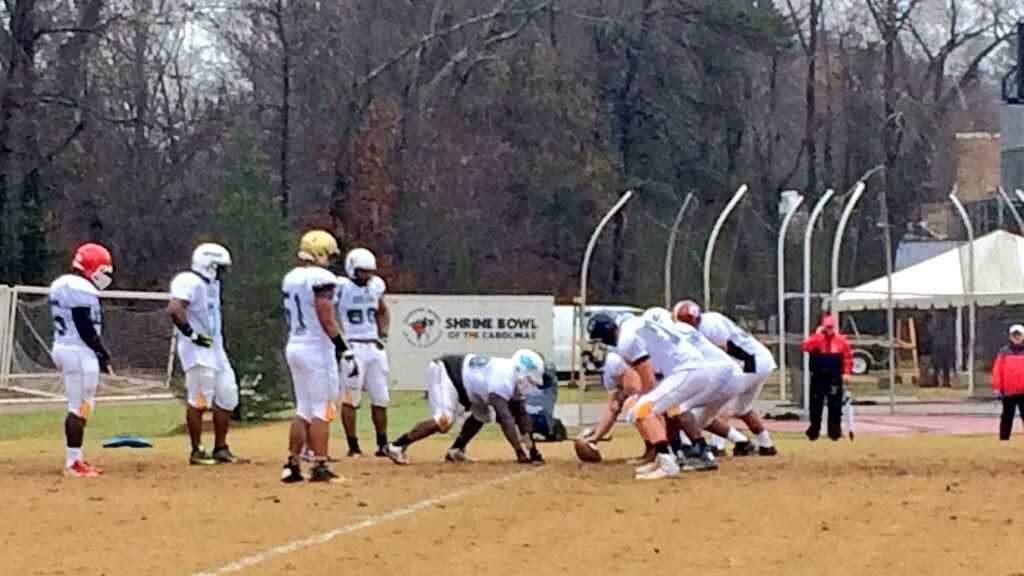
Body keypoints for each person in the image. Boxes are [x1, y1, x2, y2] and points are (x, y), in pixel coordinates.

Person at [589, 312, 739, 480]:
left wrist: (643, 403)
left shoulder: (626, 340)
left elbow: (648, 378)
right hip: (689, 368)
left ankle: (668, 462)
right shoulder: (635, 324)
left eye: (601, 339)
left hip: (688, 370)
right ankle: (677, 455)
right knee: (669, 409)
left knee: (642, 410)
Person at [280, 230, 356, 483]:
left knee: (303, 408)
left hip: (295, 344)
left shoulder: (292, 277)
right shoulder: (321, 277)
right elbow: (326, 317)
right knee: (323, 409)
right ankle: (320, 464)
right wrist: (343, 347)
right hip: (316, 348)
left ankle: (292, 464)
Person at [383, 350, 546, 465]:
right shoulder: (503, 379)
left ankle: (457, 450)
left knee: (483, 415)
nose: (529, 384)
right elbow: (506, 418)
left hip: (471, 385)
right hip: (447, 372)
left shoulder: (513, 380)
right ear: (520, 372)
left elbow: (522, 416)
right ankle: (396, 446)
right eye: (529, 379)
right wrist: (519, 452)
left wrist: (533, 450)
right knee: (444, 420)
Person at [167, 243, 245, 465]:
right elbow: (175, 308)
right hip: (198, 349)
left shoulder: (212, 286)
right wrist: (191, 335)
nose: (221, 272)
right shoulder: (188, 280)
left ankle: (221, 448)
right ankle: (197, 450)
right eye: (219, 267)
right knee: (200, 399)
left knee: (228, 396)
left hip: (215, 348)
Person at [674, 301, 779, 456]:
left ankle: (718, 446)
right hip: (760, 361)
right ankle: (766, 444)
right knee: (742, 409)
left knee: (718, 403)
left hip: (750, 363)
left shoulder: (710, 325)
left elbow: (724, 348)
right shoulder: (710, 320)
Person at [49, 243, 115, 477]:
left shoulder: (63, 284)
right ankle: (73, 462)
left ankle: (76, 458)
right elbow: (83, 324)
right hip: (77, 350)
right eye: (104, 271)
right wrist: (102, 352)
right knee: (79, 407)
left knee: (83, 405)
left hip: (65, 346)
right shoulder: (79, 288)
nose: (107, 277)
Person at [335, 247, 391, 458]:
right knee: (351, 397)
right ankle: (353, 445)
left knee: (381, 397)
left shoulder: (376, 286)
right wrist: (339, 340)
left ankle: (382, 443)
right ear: (351, 269)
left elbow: (383, 311)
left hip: (373, 345)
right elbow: (330, 312)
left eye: (369, 271)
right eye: (362, 271)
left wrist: (383, 334)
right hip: (352, 345)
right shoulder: (341, 287)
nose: (366, 276)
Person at [800, 314, 852, 441]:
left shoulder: (842, 341)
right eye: (827, 327)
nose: (829, 330)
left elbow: (847, 358)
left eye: (831, 327)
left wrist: (846, 373)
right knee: (816, 404)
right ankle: (814, 430)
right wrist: (817, 336)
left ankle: (834, 431)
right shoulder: (817, 339)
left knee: (835, 404)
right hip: (819, 375)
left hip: (834, 375)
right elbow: (805, 346)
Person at [992, 324, 1024, 440]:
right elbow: (998, 371)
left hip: (1023, 391)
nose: (1016, 337)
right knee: (1007, 416)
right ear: (1010, 336)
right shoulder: (1004, 352)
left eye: (1019, 335)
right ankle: (1004, 438)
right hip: (1008, 391)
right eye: (1014, 335)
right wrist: (997, 387)